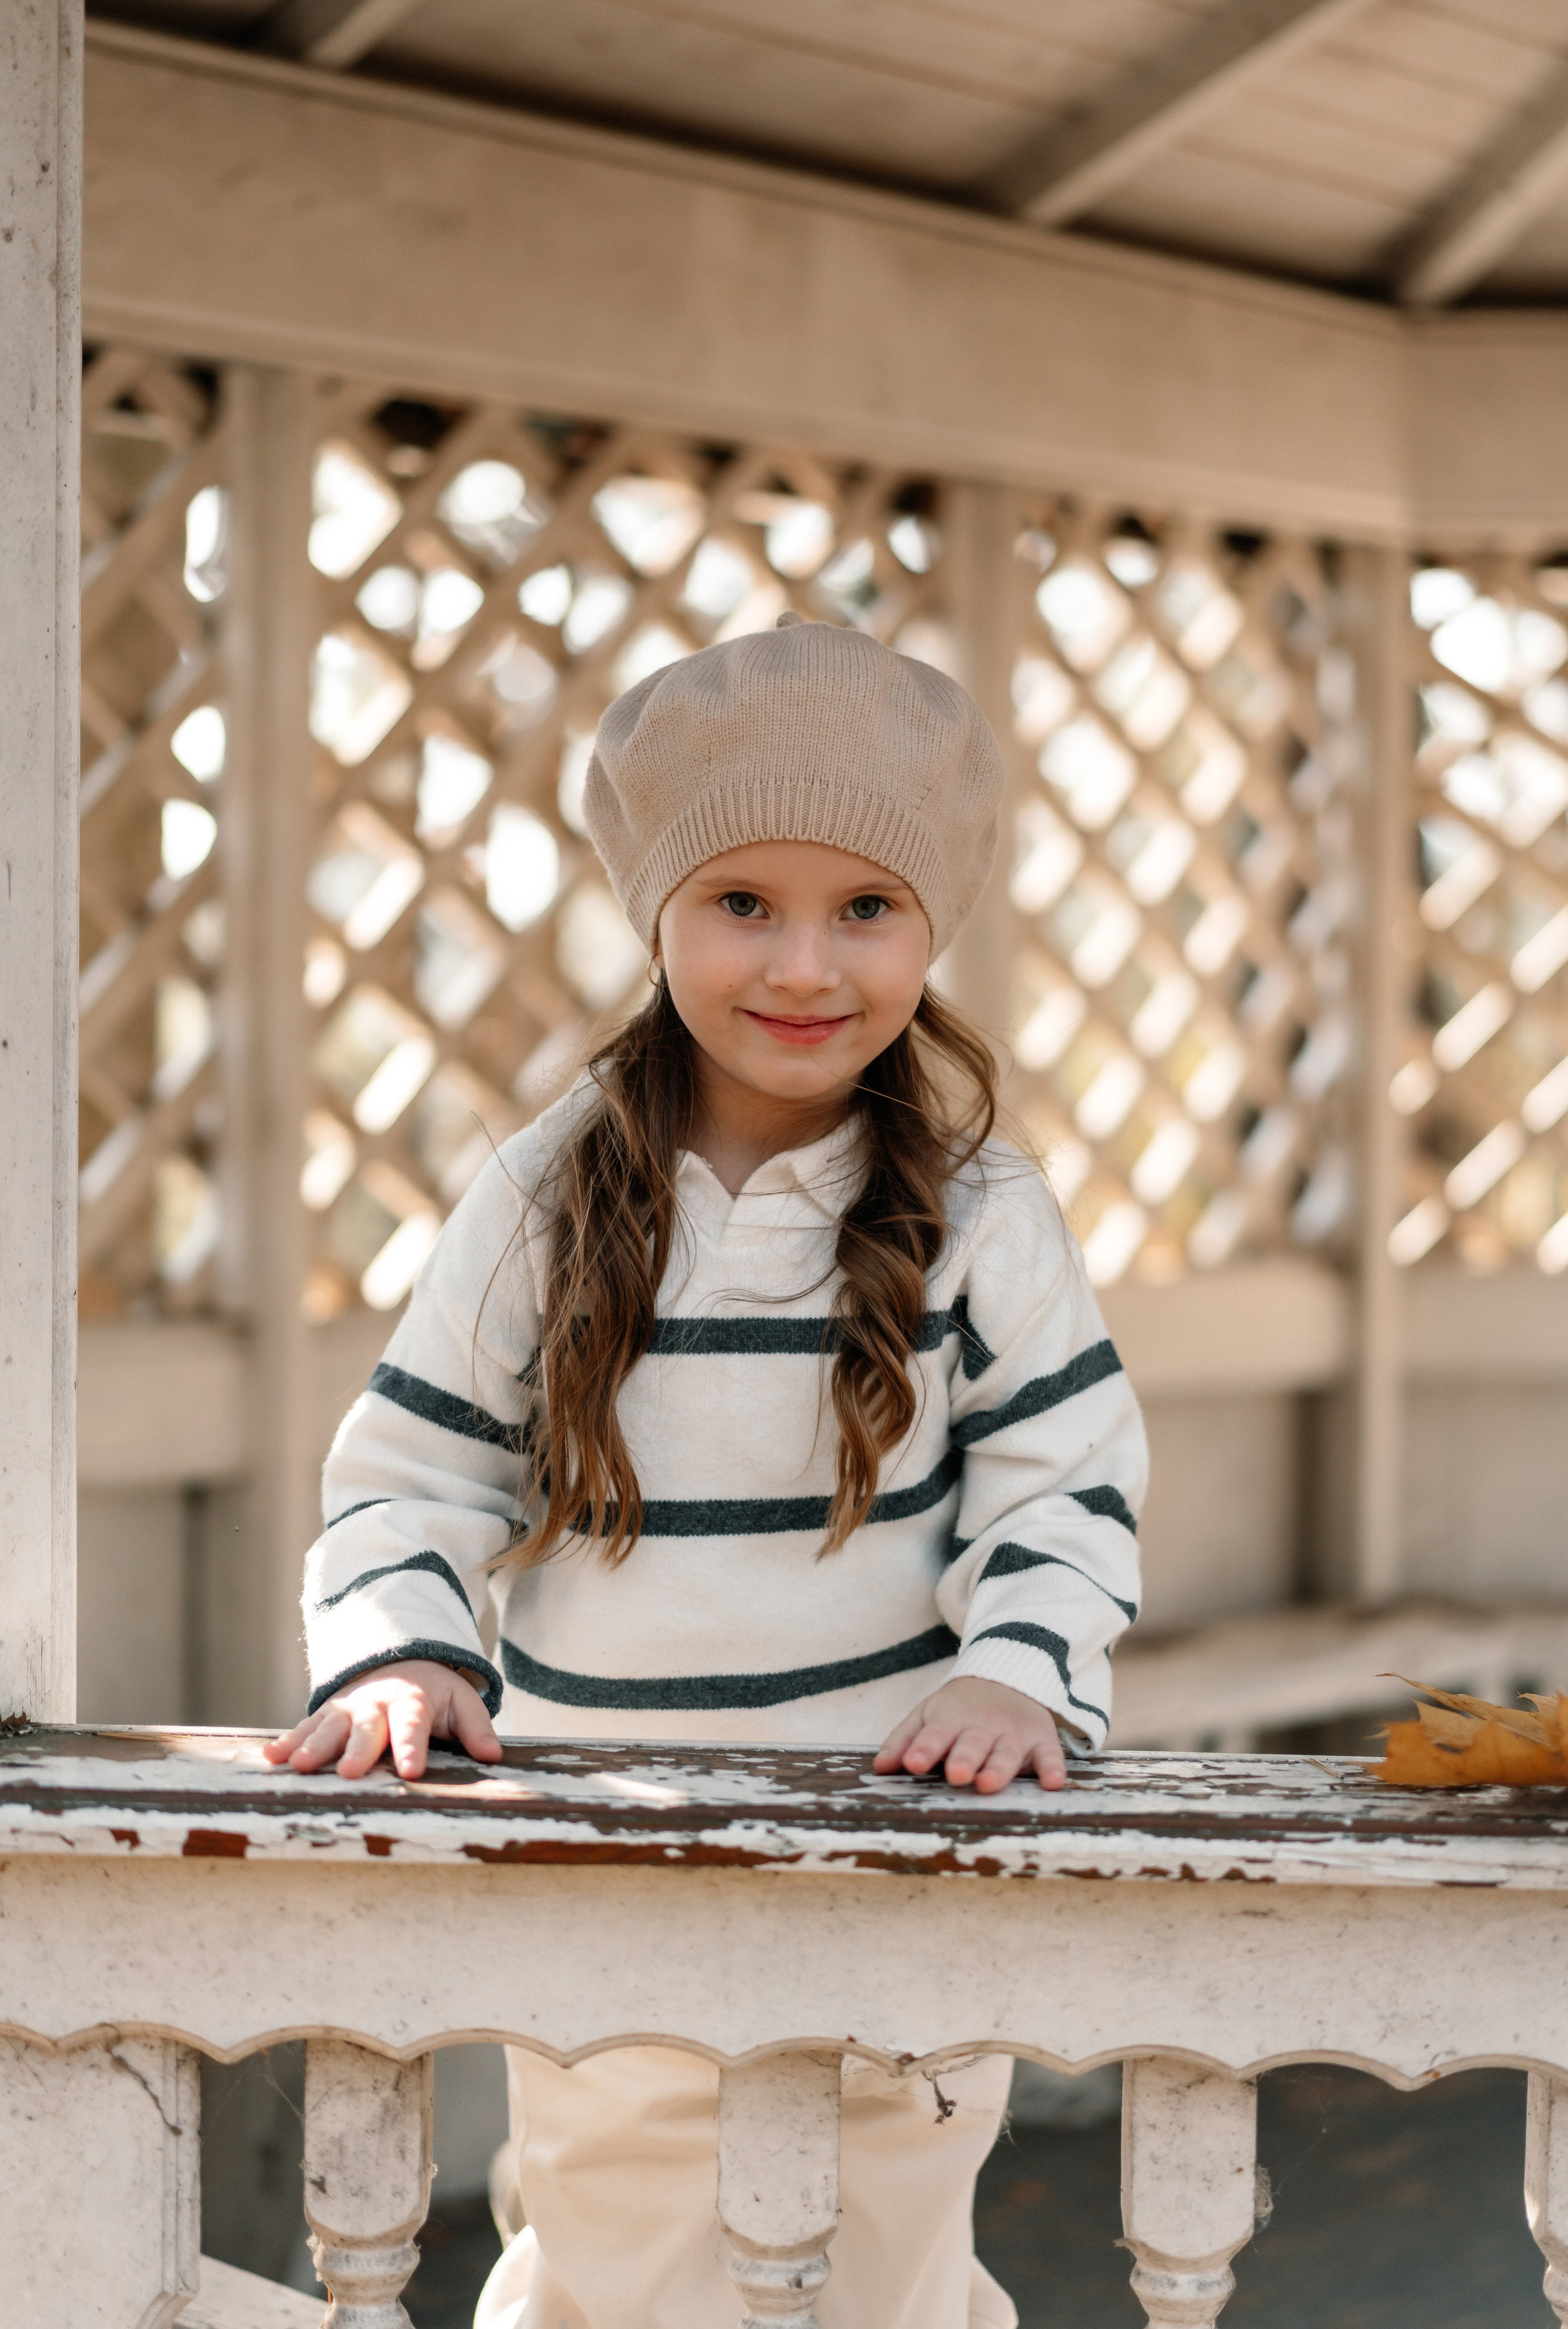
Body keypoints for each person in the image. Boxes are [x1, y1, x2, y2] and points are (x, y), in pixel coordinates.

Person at [266, 614, 1147, 2329]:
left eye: (864, 908)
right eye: (743, 903)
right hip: (611, 1859)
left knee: (887, 2259)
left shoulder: (984, 1210)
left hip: (905, 1849)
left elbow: (1068, 1483)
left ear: (929, 924)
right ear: (656, 913)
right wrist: (404, 1645)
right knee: (621, 2254)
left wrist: (1015, 1673)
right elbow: (408, 1479)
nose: (804, 964)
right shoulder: (546, 1195)